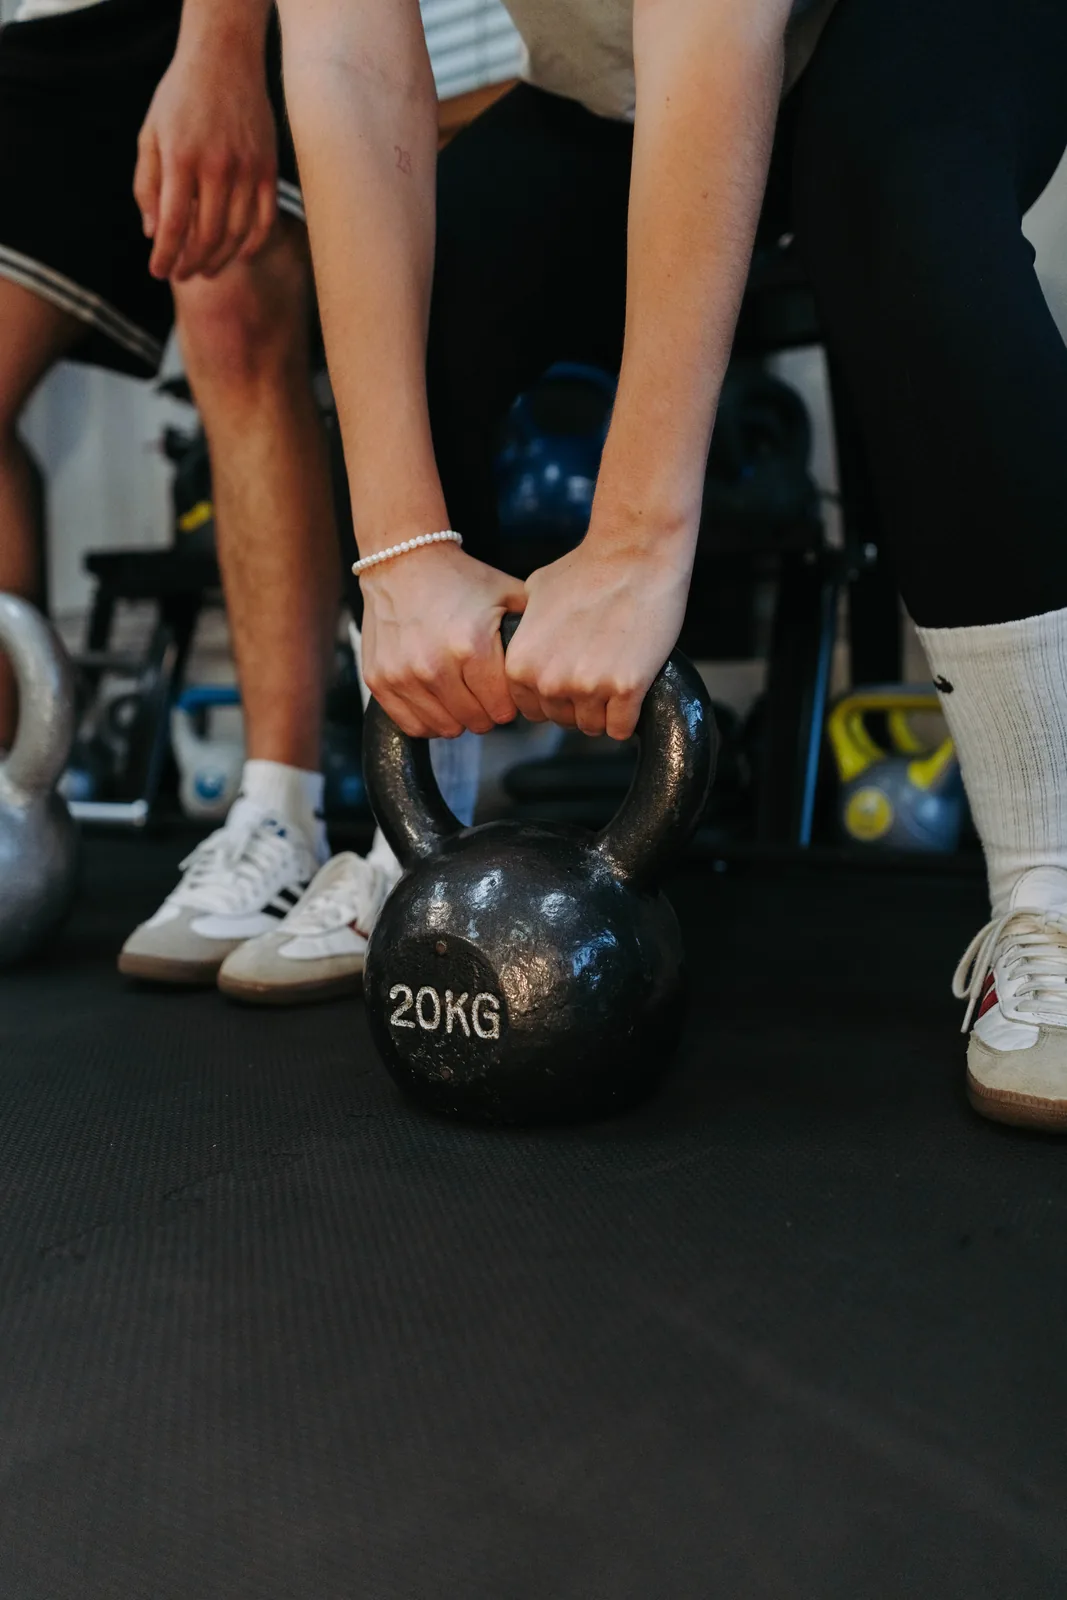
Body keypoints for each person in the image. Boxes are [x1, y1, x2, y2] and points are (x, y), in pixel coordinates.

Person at [275, 0, 1067, 1130]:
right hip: (618, 81)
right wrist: (398, 552)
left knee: (902, 191)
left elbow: (715, 20)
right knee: (440, 264)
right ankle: (416, 841)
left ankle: (1051, 885)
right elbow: (347, 59)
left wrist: (638, 539)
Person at [0, 0, 478, 1001]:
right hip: (54, 20)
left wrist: (218, 47)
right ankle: (9, 803)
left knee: (227, 293)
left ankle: (278, 805)